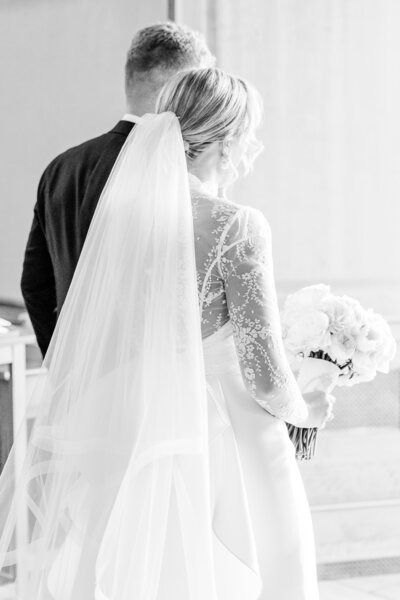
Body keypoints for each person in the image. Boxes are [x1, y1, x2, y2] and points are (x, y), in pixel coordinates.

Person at [0, 68, 334, 599]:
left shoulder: (123, 219)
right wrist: (308, 407)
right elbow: (265, 377)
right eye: (251, 133)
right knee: (266, 561)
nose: (254, 147)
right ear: (225, 140)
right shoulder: (237, 224)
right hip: (230, 433)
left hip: (137, 421)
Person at [20, 22, 215, 358]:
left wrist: (64, 368)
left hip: (78, 384)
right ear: (178, 87)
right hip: (149, 378)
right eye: (198, 86)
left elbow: (35, 285)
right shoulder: (174, 168)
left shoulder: (61, 167)